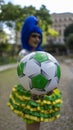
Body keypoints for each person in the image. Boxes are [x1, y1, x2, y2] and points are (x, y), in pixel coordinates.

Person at [8, 16, 62, 130]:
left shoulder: (42, 54)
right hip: (28, 92)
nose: (37, 39)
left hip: (43, 88)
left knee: (37, 121)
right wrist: (31, 90)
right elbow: (21, 74)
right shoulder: (24, 54)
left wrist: (50, 85)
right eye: (33, 36)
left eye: (39, 37)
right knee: (31, 121)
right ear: (26, 36)